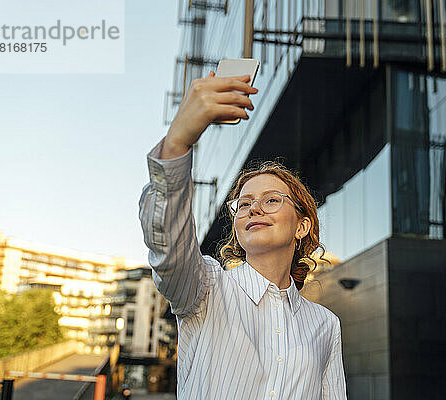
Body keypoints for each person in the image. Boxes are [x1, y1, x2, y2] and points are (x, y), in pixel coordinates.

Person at [138, 71, 347, 399]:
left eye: (272, 200)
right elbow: (169, 245)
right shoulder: (206, 290)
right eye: (244, 203)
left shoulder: (325, 325)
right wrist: (177, 142)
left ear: (301, 226)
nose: (254, 209)